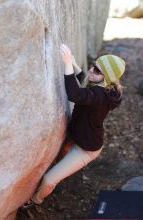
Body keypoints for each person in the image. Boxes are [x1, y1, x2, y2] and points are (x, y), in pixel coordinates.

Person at [30, 44, 125, 205]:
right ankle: (60, 168)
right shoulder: (102, 88)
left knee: (49, 179)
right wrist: (74, 64)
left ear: (106, 78)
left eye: (96, 70)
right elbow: (86, 82)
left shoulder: (100, 96)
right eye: (94, 65)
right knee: (59, 160)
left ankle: (34, 200)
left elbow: (76, 94)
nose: (91, 70)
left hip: (86, 148)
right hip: (77, 135)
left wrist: (67, 64)